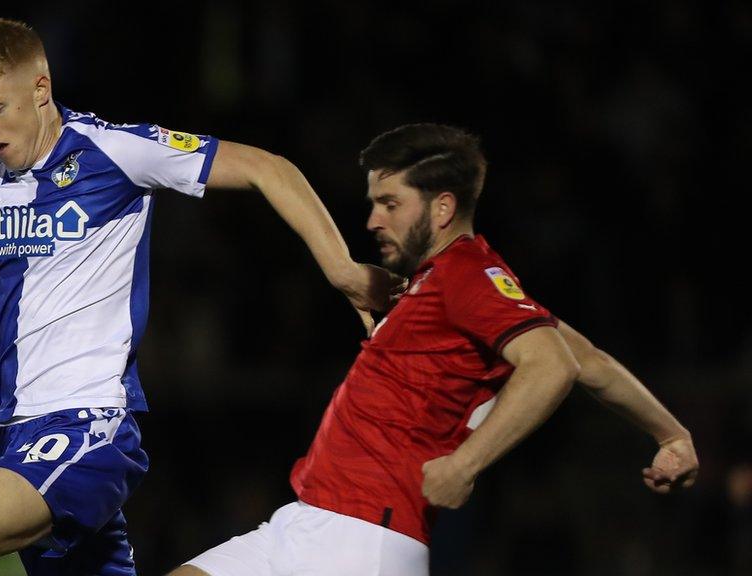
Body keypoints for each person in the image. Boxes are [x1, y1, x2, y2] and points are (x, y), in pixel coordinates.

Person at [0, 18, 399, 576]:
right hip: (18, 432)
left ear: (41, 88)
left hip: (88, 430)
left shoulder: (116, 152)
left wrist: (342, 268)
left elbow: (269, 167)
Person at [172, 123, 700, 576]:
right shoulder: (446, 282)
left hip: (361, 537)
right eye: (374, 203)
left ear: (443, 206)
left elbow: (554, 364)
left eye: (391, 204)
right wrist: (670, 433)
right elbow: (591, 363)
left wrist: (467, 463)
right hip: (307, 519)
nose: (373, 220)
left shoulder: (470, 275)